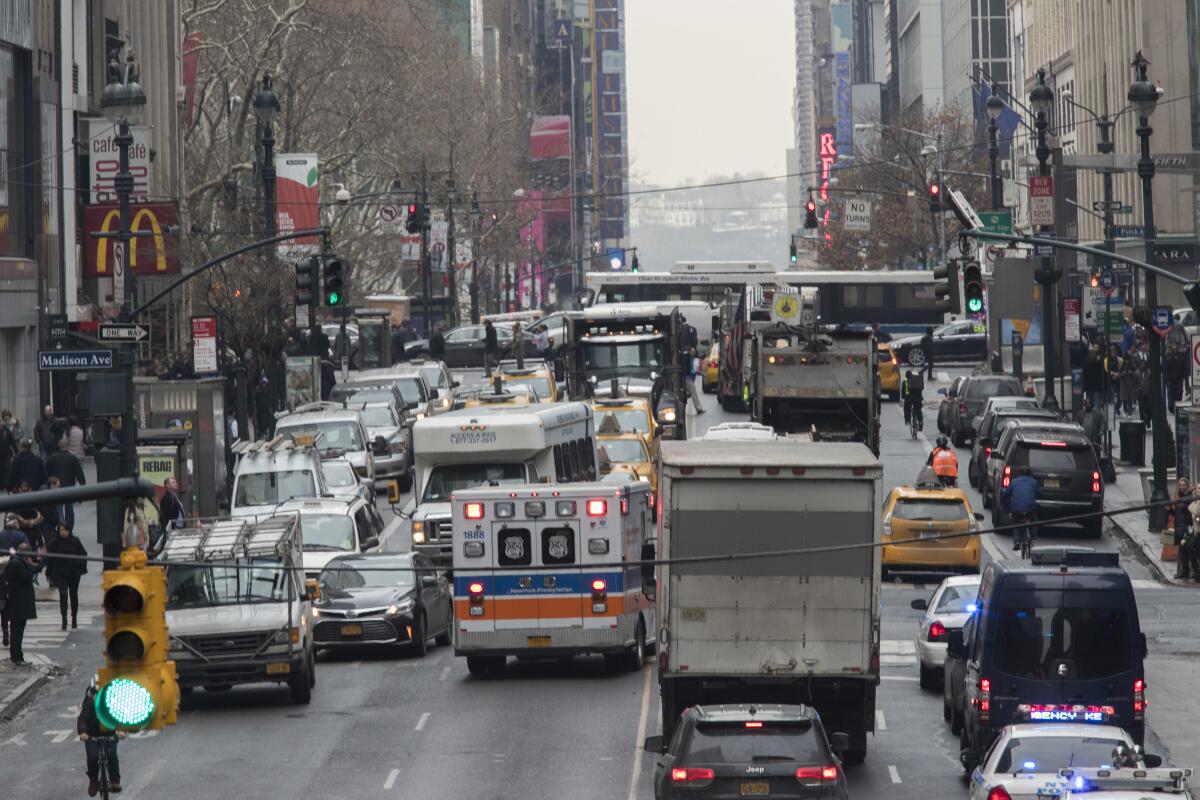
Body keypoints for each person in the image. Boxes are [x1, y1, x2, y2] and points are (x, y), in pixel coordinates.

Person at [78, 680, 122, 795]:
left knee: (112, 755)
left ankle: (115, 781)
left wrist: (120, 731)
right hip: (92, 736)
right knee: (92, 757)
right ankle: (93, 780)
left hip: (110, 735)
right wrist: (83, 732)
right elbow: (82, 719)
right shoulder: (89, 704)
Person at [4, 542, 41, 664]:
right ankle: (16, 658)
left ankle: (19, 656)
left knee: (18, 631)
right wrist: (30, 565)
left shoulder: (16, 562)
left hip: (18, 604)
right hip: (18, 604)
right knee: (16, 632)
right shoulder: (16, 564)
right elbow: (27, 576)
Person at [46, 521, 87, 630]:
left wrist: (80, 566)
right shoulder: (54, 542)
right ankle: (64, 619)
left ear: (69, 531)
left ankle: (74, 618)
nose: (63, 532)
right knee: (63, 594)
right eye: (61, 530)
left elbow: (83, 554)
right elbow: (50, 558)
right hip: (60, 573)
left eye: (65, 530)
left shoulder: (75, 541)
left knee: (73, 594)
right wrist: (48, 573)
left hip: (74, 572)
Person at [46, 438, 86, 528]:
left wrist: (47, 486)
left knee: (58, 507)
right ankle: (69, 526)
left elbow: (46, 473)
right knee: (69, 508)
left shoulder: (52, 458)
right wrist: (83, 487)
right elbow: (80, 474)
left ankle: (61, 525)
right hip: (69, 487)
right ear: (67, 446)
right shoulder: (72, 458)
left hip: (56, 486)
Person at [1003, 465, 1041, 552]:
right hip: (1030, 509)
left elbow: (1006, 494)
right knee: (1033, 518)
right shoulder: (1034, 482)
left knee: (1016, 523)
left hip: (1016, 509)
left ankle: (1016, 541)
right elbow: (1040, 494)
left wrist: (1005, 502)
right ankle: (1033, 536)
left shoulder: (1014, 482)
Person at [1172, 478, 1196, 579]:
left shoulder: (1188, 497)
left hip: (1186, 527)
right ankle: (1184, 571)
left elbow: (1190, 511)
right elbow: (1175, 513)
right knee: (1182, 551)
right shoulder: (1177, 497)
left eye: (1184, 485)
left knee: (1186, 550)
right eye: (1180, 485)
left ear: (1187, 486)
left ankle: (1187, 571)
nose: (1182, 487)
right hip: (1178, 527)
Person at [1082, 344, 1105, 409]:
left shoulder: (1086, 362)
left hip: (1089, 386)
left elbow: (1084, 374)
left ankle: (1090, 415)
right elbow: (1102, 374)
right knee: (1096, 402)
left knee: (1089, 402)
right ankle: (1096, 417)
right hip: (1097, 387)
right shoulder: (1099, 362)